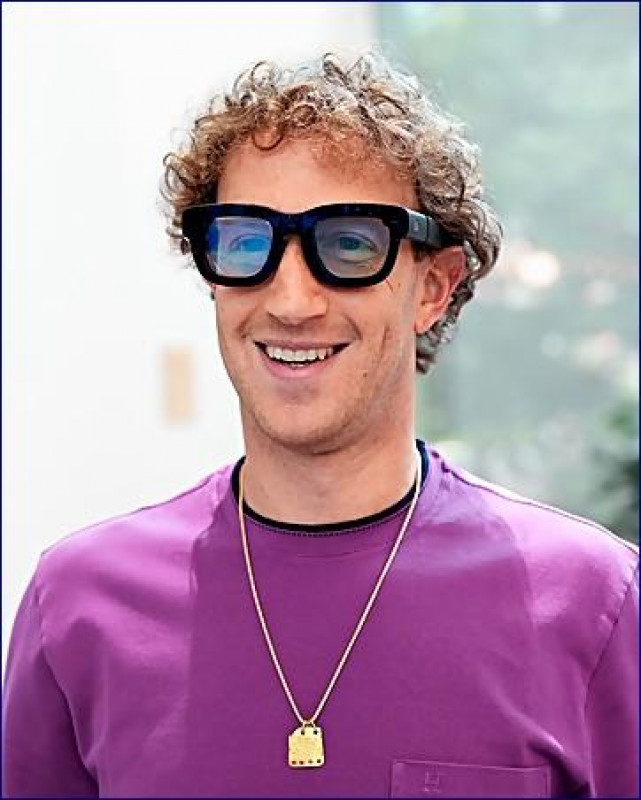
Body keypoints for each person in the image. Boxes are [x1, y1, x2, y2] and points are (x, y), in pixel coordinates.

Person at [2, 52, 638, 799]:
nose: (292, 301)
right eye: (247, 242)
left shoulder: (592, 603)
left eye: (350, 244)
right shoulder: (78, 606)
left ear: (433, 287)